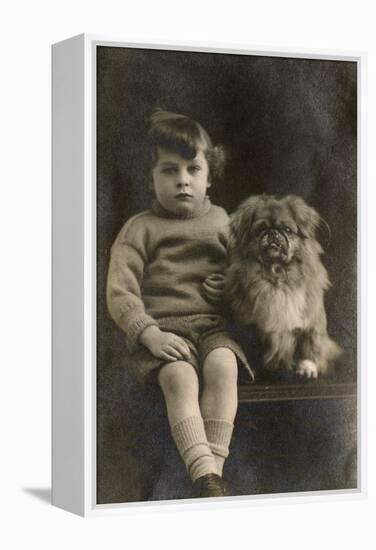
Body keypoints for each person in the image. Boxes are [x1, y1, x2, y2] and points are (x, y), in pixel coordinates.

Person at [106, 109, 253, 498]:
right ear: (151, 180)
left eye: (193, 169)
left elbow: (247, 279)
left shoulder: (223, 222)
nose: (182, 180)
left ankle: (211, 475)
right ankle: (206, 473)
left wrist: (230, 287)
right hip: (163, 331)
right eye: (169, 171)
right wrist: (149, 334)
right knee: (179, 378)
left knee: (224, 365)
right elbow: (120, 291)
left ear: (209, 178)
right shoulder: (140, 228)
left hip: (211, 327)